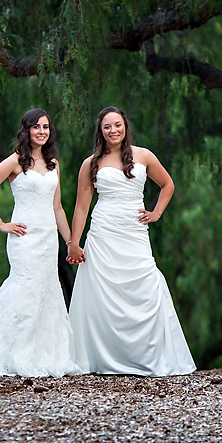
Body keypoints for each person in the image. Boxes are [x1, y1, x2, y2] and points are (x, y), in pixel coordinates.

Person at [0, 109, 80, 377]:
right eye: (36, 127)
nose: (42, 131)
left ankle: (39, 356)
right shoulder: (15, 162)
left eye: (46, 127)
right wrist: (1, 224)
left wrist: (70, 241)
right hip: (23, 236)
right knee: (23, 288)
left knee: (45, 290)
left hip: (47, 238)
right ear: (26, 130)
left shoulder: (54, 163)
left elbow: (57, 207)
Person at [67, 106, 196, 376]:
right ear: (100, 131)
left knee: (146, 284)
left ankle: (148, 357)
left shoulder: (144, 155)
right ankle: (103, 358)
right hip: (104, 231)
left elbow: (167, 184)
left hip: (134, 231)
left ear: (125, 126)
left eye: (117, 125)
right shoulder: (91, 163)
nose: (113, 131)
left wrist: (156, 213)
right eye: (107, 127)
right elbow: (81, 207)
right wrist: (74, 243)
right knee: (101, 293)